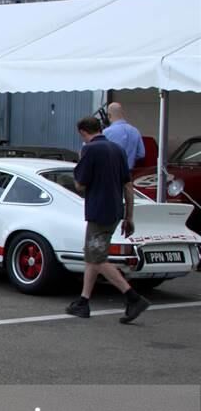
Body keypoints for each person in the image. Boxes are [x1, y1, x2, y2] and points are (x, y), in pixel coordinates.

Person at [66, 117, 150, 323]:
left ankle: (133, 297)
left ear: (83, 132)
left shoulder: (90, 150)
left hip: (98, 211)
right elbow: (128, 186)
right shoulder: (117, 150)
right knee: (92, 255)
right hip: (114, 210)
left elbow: (80, 184)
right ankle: (83, 300)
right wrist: (129, 216)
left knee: (97, 258)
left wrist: (80, 161)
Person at [102, 102, 145, 170]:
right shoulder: (135, 131)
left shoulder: (106, 132)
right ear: (122, 114)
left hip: (111, 173)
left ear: (109, 115)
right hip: (129, 173)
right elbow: (141, 154)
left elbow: (100, 154)